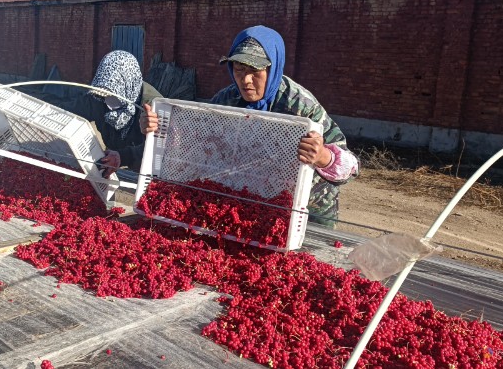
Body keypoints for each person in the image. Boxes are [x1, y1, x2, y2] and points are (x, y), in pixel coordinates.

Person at [140, 25, 359, 228]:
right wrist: (159, 129)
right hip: (256, 201)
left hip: (308, 209)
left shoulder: (301, 106)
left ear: (273, 68)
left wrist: (322, 156)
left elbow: (351, 166)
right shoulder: (227, 100)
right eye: (239, 69)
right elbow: (198, 141)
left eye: (256, 71)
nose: (245, 80)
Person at [56, 50, 160, 179]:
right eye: (105, 92)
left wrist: (123, 157)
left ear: (127, 87)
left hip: (144, 169)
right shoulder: (99, 98)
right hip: (111, 160)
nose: (108, 99)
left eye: (113, 93)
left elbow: (159, 151)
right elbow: (69, 111)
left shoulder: (152, 107)